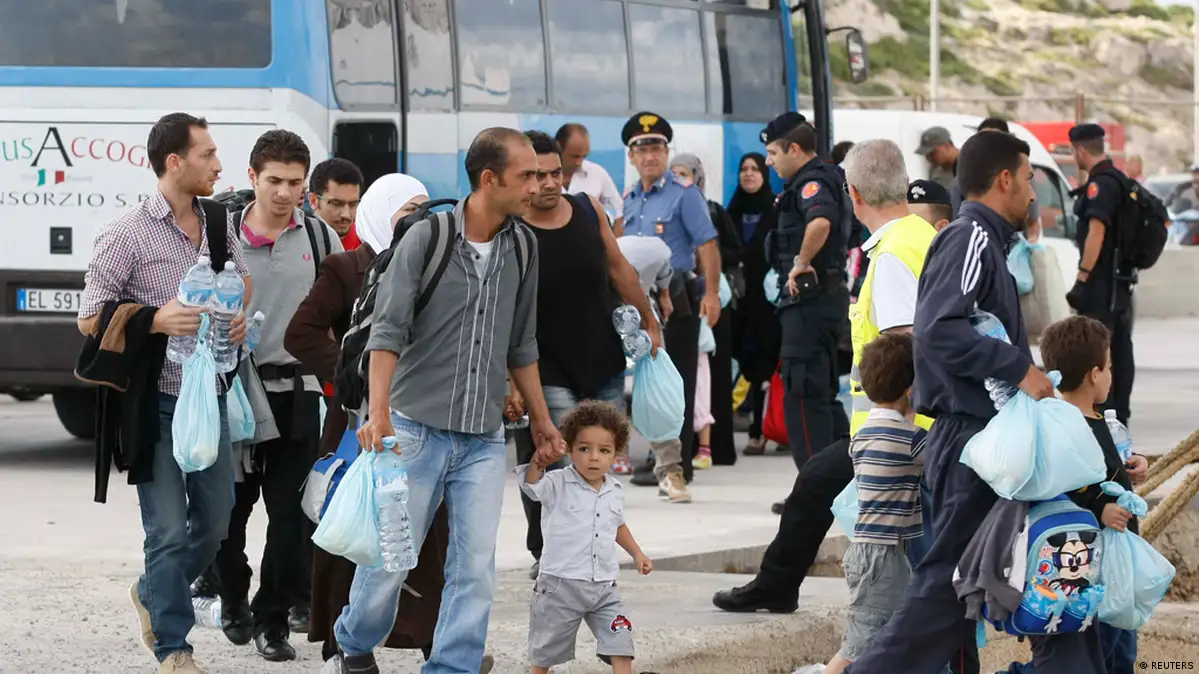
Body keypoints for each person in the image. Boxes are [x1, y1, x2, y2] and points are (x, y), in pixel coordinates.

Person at [334, 128, 566, 674]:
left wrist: (542, 421)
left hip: (483, 436)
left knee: (476, 565)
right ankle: (354, 642)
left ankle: (452, 666)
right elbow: (387, 332)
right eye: (527, 176)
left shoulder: (524, 246)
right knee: (392, 558)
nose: (538, 185)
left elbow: (522, 343)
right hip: (414, 428)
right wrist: (379, 414)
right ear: (490, 179)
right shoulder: (429, 238)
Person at [843, 130, 1055, 674]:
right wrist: (1020, 370)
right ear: (1004, 179)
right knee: (944, 588)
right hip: (968, 438)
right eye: (1029, 179)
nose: (1034, 193)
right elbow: (938, 331)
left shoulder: (983, 241)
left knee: (961, 589)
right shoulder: (971, 238)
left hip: (976, 437)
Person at [713, 138, 934, 617]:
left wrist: (897, 427)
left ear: (853, 194)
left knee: (819, 487)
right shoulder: (922, 235)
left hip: (898, 427)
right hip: (907, 424)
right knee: (815, 483)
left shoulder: (893, 254)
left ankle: (779, 587)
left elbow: (906, 348)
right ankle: (776, 585)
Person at [78, 112, 250, 674]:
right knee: (169, 530)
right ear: (175, 162)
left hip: (211, 394)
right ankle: (174, 647)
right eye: (208, 154)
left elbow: (239, 280)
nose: (218, 165)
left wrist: (237, 317)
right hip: (153, 402)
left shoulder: (219, 222)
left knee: (217, 520)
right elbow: (89, 316)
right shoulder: (127, 232)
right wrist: (154, 319)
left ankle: (152, 590)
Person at [283, 174, 458, 672]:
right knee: (355, 527)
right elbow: (301, 332)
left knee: (426, 535)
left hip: (422, 417)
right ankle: (345, 650)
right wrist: (356, 370)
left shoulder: (437, 266)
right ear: (383, 214)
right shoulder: (347, 267)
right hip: (362, 420)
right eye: (409, 211)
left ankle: (434, 644)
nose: (421, 220)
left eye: (426, 210)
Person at [204, 130, 342, 662]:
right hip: (234, 391)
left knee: (291, 518)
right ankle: (232, 595)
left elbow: (343, 310)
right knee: (225, 513)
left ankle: (272, 620)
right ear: (252, 178)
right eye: (274, 181)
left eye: (295, 183)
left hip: (298, 393)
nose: (285, 193)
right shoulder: (219, 235)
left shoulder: (320, 237)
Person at [512, 129, 661, 576]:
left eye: (556, 173)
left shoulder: (587, 208)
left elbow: (619, 269)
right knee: (557, 460)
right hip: (545, 366)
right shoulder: (512, 228)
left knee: (597, 461)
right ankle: (550, 553)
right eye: (537, 175)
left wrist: (650, 320)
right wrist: (509, 379)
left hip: (602, 359)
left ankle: (588, 550)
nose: (549, 183)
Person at [1004, 315, 1149, 674]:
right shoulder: (1060, 424)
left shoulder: (1102, 423)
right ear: (1094, 374)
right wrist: (1099, 509)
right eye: (1110, 367)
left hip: (1116, 568)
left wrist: (1133, 465)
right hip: (1080, 573)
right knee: (1084, 656)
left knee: (1120, 654)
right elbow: (1058, 486)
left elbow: (1106, 470)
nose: (1112, 374)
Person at [621, 111, 721, 499]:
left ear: (666, 152)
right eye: (642, 150)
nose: (650, 157)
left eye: (657, 149)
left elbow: (707, 245)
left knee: (676, 381)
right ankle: (658, 458)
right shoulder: (630, 199)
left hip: (677, 297)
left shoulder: (684, 194)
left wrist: (711, 293)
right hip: (641, 300)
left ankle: (679, 465)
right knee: (647, 382)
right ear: (632, 156)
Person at [519, 401, 653, 674]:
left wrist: (637, 553)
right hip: (560, 585)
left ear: (616, 455)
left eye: (604, 451)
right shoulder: (557, 482)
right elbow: (532, 485)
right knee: (545, 652)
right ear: (569, 449)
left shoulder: (615, 489)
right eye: (584, 449)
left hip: (604, 586)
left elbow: (617, 525)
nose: (594, 457)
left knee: (621, 642)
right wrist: (538, 462)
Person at [824, 332, 927, 674]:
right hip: (884, 556)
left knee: (882, 637)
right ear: (911, 390)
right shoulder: (910, 440)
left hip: (865, 549)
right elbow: (946, 459)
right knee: (860, 645)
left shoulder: (863, 435)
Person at [764, 111, 851, 469]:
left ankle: (814, 485)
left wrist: (801, 262)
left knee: (803, 393)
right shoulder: (829, 177)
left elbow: (820, 222)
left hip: (809, 301)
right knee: (822, 395)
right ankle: (840, 480)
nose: (769, 162)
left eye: (773, 153)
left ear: (794, 149)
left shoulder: (811, 182)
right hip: (823, 299)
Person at [669, 153, 741, 468]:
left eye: (684, 174)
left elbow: (734, 250)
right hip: (682, 297)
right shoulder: (667, 209)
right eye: (674, 174)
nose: (679, 180)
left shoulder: (713, 210)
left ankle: (715, 447)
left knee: (713, 376)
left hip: (711, 302)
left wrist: (707, 254)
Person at [1066, 123, 1136, 426]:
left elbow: (1096, 232)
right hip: (1119, 286)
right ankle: (1119, 419)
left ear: (1080, 150)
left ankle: (1104, 420)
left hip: (1101, 288)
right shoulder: (1119, 180)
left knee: (1098, 353)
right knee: (1119, 350)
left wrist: (1082, 279)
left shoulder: (1100, 185)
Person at [726, 152, 782, 456]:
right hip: (737, 303)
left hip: (767, 304)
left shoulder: (776, 211)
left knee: (764, 365)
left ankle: (759, 431)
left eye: (755, 169)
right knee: (741, 363)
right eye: (744, 169)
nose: (748, 174)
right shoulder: (730, 212)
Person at [555, 123, 625, 232]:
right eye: (574, 156)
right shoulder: (540, 175)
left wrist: (614, 241)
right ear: (558, 147)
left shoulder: (597, 173)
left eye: (584, 156)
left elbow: (619, 212)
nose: (579, 162)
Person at [308, 157, 365, 251]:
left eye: (353, 204)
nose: (346, 215)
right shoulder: (297, 243)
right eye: (336, 204)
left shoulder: (369, 246)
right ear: (313, 201)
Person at [915, 126, 958, 191]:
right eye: (926, 154)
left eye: (932, 153)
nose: (928, 158)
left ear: (947, 146)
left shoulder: (969, 163)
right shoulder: (935, 170)